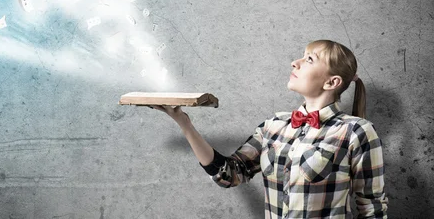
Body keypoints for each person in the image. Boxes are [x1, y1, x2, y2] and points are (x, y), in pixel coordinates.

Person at [150, 40, 388, 218]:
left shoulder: (356, 132)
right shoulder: (273, 126)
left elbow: (372, 209)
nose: (295, 63)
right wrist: (184, 123)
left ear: (331, 82)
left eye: (309, 60)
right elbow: (229, 175)